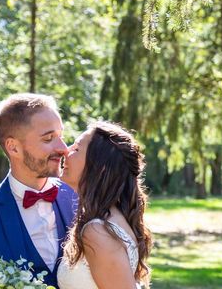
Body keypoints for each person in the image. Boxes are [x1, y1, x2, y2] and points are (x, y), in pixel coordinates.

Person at [0, 93, 76, 289]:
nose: (63, 148)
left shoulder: (78, 197)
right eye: (49, 138)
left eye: (61, 136)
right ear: (13, 148)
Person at [57, 121, 153, 289]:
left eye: (77, 148)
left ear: (99, 167)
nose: (66, 151)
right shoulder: (107, 219)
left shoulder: (98, 232)